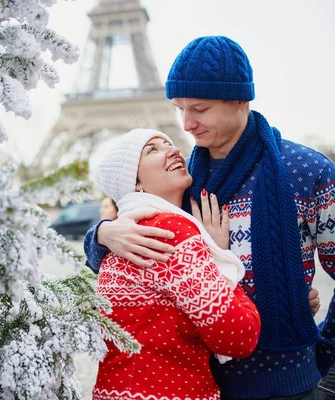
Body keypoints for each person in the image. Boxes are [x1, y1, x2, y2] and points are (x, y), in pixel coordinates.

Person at [84, 35, 335, 399]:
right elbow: (120, 266)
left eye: (199, 110)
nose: (186, 124)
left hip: (291, 383)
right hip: (197, 381)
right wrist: (103, 234)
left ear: (239, 100)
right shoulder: (179, 179)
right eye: (179, 109)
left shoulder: (306, 171)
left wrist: (327, 362)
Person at [92, 128, 261, 400]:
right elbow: (239, 336)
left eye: (169, 143)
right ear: (134, 183)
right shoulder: (170, 232)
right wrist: (217, 255)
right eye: (152, 150)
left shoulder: (123, 236)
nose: (172, 150)